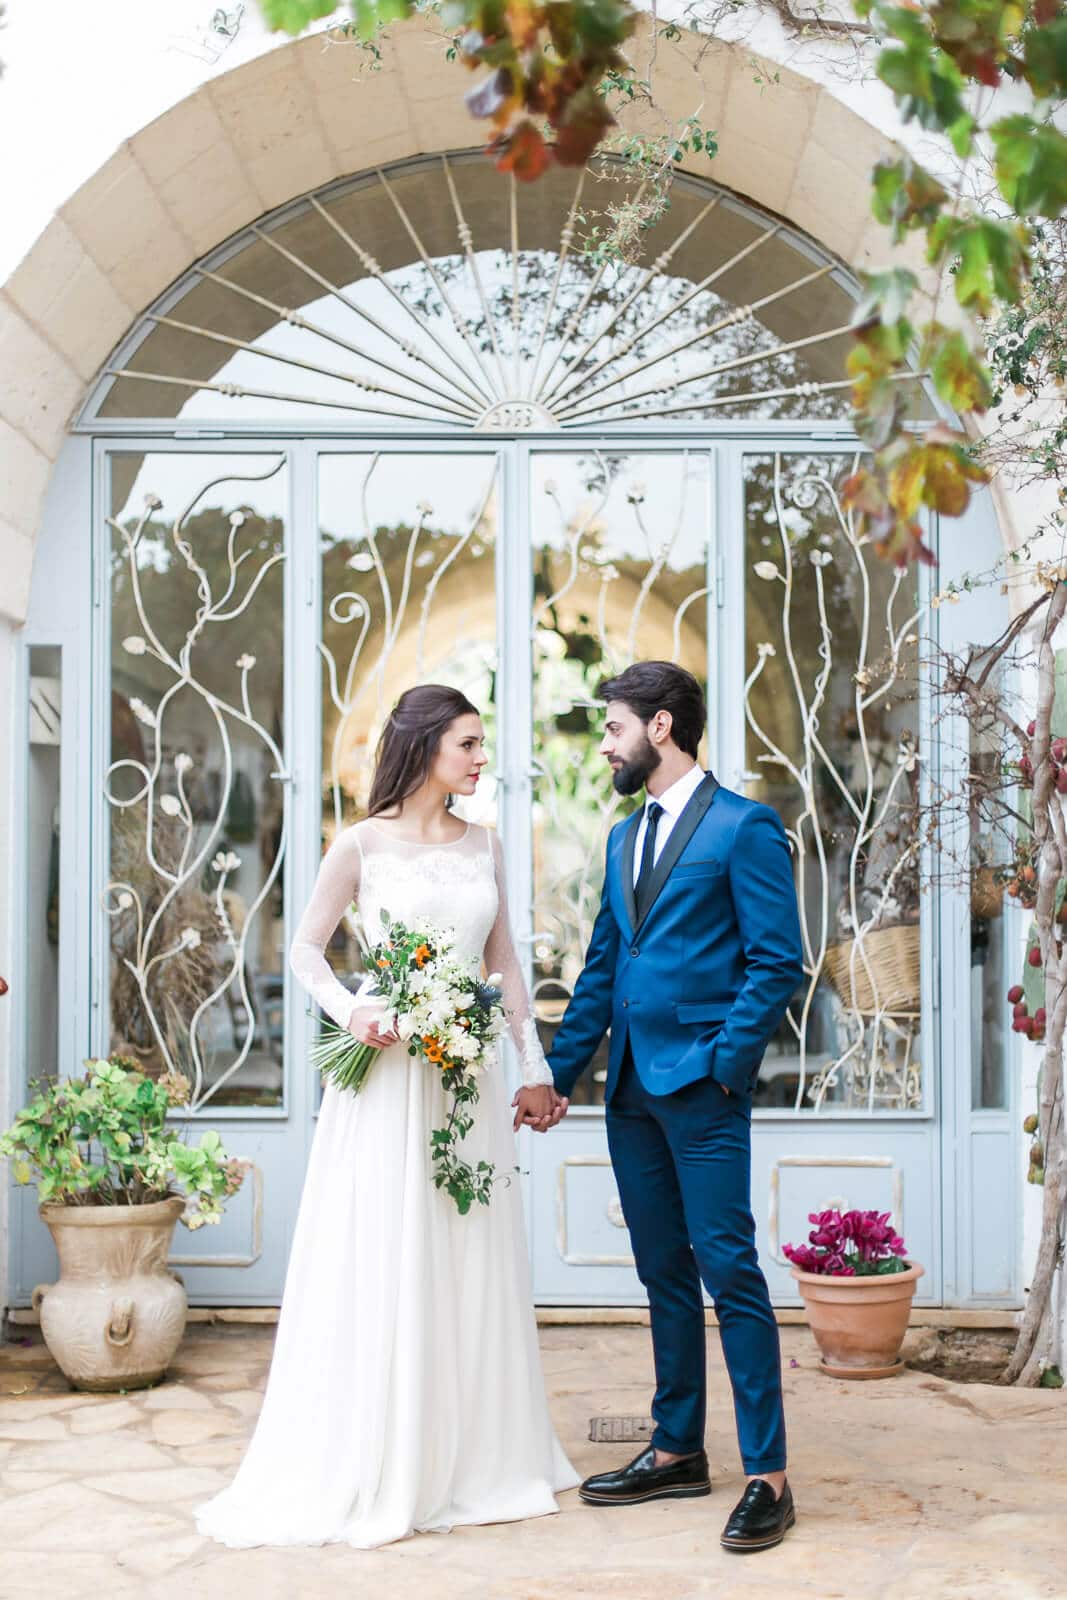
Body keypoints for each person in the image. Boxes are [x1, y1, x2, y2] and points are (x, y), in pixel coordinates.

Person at [196, 684, 577, 1551]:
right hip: (386, 1081)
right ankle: (381, 1445)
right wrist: (356, 1013)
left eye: (482, 745)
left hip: (465, 1081)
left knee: (466, 1245)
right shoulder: (360, 844)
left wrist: (534, 1069)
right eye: (469, 745)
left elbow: (505, 964)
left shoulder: (484, 843)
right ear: (423, 746)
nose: (483, 760)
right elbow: (305, 949)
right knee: (385, 1245)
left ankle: (476, 1451)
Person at [513, 661, 804, 1554]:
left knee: (730, 1275)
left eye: (613, 730)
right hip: (629, 1090)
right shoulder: (620, 837)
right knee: (661, 1273)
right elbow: (603, 966)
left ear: (662, 727)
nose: (604, 745)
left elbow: (778, 961)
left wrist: (725, 1064)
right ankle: (677, 1447)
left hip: (703, 1089)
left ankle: (769, 1476)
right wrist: (557, 1076)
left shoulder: (743, 827)